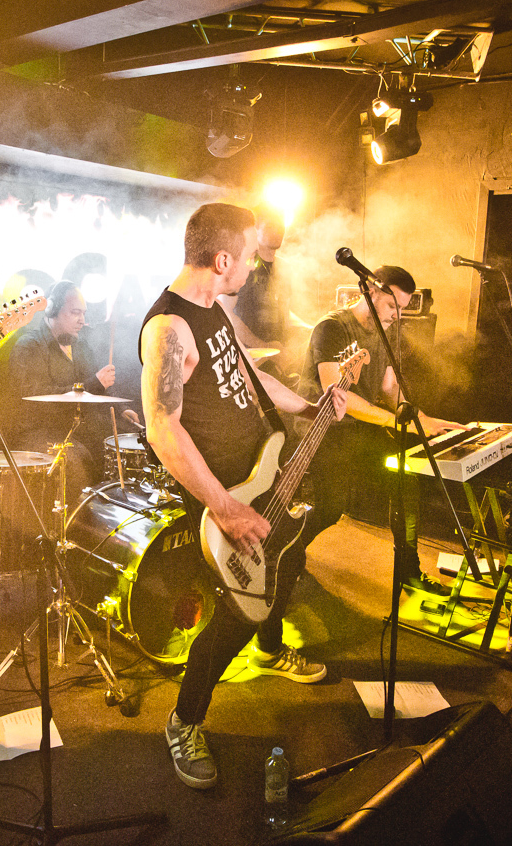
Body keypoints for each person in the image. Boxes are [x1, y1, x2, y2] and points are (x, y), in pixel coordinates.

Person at [139, 203, 349, 790]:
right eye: (251, 255)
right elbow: (162, 429)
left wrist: (309, 406)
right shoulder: (168, 329)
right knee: (235, 613)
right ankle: (184, 720)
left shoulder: (214, 312)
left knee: (286, 564)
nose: (257, 264)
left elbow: (251, 379)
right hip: (224, 497)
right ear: (222, 259)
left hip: (260, 478)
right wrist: (225, 507)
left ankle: (271, 650)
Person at [298, 266, 465, 594]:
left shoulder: (384, 332)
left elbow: (389, 387)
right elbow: (337, 396)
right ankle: (282, 551)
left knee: (405, 482)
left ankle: (409, 572)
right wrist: (393, 420)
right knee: (330, 508)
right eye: (392, 306)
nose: (396, 316)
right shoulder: (332, 328)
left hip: (360, 427)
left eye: (402, 309)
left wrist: (421, 419)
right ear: (370, 292)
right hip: (324, 429)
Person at [9, 279, 117, 488]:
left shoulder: (81, 346)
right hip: (37, 433)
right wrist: (93, 384)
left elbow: (98, 390)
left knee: (121, 444)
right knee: (78, 462)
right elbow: (37, 399)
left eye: (83, 313)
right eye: (75, 312)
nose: (82, 320)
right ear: (51, 310)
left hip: (75, 430)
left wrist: (122, 410)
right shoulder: (29, 346)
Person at [216, 205, 309, 383]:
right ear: (256, 230)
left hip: (278, 362)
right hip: (247, 360)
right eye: (271, 226)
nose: (278, 231)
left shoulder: (285, 268)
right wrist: (263, 346)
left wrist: (308, 329)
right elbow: (224, 314)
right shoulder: (242, 266)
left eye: (281, 226)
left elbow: (284, 311)